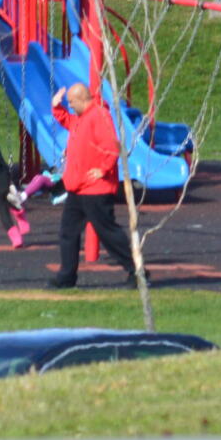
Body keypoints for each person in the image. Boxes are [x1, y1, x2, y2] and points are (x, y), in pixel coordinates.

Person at [50, 81, 142, 288]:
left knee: (107, 231)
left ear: (83, 99)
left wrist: (104, 168)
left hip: (95, 188)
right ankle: (66, 277)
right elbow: (67, 120)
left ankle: (136, 270)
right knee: (68, 231)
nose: (70, 105)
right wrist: (57, 106)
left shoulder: (99, 116)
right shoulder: (82, 118)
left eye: (72, 102)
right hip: (79, 187)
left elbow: (111, 145)